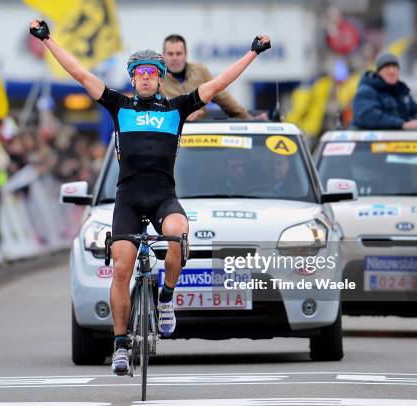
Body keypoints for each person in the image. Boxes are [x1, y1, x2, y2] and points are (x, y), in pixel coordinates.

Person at [29, 19, 271, 375]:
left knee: (179, 235)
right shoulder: (119, 106)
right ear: (133, 79)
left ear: (160, 78)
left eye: (151, 72)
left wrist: (253, 51)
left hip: (162, 197)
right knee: (121, 268)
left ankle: (167, 298)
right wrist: (48, 38)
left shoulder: (176, 109)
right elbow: (79, 73)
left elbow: (218, 83)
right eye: (139, 73)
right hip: (127, 198)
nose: (144, 78)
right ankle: (121, 345)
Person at [161, 34, 262, 121]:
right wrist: (180, 114)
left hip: (199, 133)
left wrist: (250, 121)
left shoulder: (200, 70)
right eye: (170, 54)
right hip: (168, 132)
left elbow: (223, 98)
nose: (174, 58)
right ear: (163, 55)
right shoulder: (157, 77)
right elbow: (150, 109)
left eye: (178, 53)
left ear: (186, 54)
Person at [352, 52, 417, 130]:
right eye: (387, 67)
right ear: (379, 72)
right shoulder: (366, 91)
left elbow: (415, 111)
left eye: (395, 67)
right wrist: (403, 124)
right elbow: (370, 117)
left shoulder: (402, 92)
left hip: (401, 140)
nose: (392, 71)